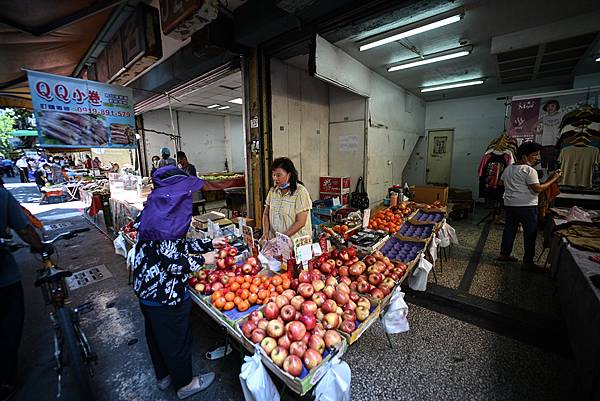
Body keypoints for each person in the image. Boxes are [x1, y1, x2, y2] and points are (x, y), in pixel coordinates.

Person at [133, 165, 221, 399]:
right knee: (177, 340)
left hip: (146, 290)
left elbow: (176, 247)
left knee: (155, 336)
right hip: (165, 294)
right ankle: (185, 384)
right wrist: (204, 259)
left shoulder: (155, 211)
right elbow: (173, 263)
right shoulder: (165, 221)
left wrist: (209, 244)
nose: (190, 198)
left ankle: (164, 377)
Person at [0, 183, 45, 400]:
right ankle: (6, 379)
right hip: (4, 277)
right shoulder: (1, 195)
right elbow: (24, 229)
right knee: (9, 324)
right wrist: (40, 246)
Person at [497, 142, 562, 270]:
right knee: (530, 233)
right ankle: (528, 262)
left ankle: (504, 254)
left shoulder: (508, 168)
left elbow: (500, 183)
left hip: (510, 204)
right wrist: (554, 178)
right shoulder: (529, 170)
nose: (537, 158)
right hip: (526, 206)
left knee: (509, 229)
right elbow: (538, 189)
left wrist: (514, 187)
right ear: (525, 156)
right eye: (535, 155)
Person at [260, 157, 313, 243]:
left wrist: (281, 238)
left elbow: (300, 222)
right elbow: (266, 214)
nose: (275, 178)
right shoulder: (273, 192)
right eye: (273, 175)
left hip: (296, 245)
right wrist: (265, 233)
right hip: (276, 244)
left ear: (289, 175)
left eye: (278, 175)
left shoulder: (300, 192)